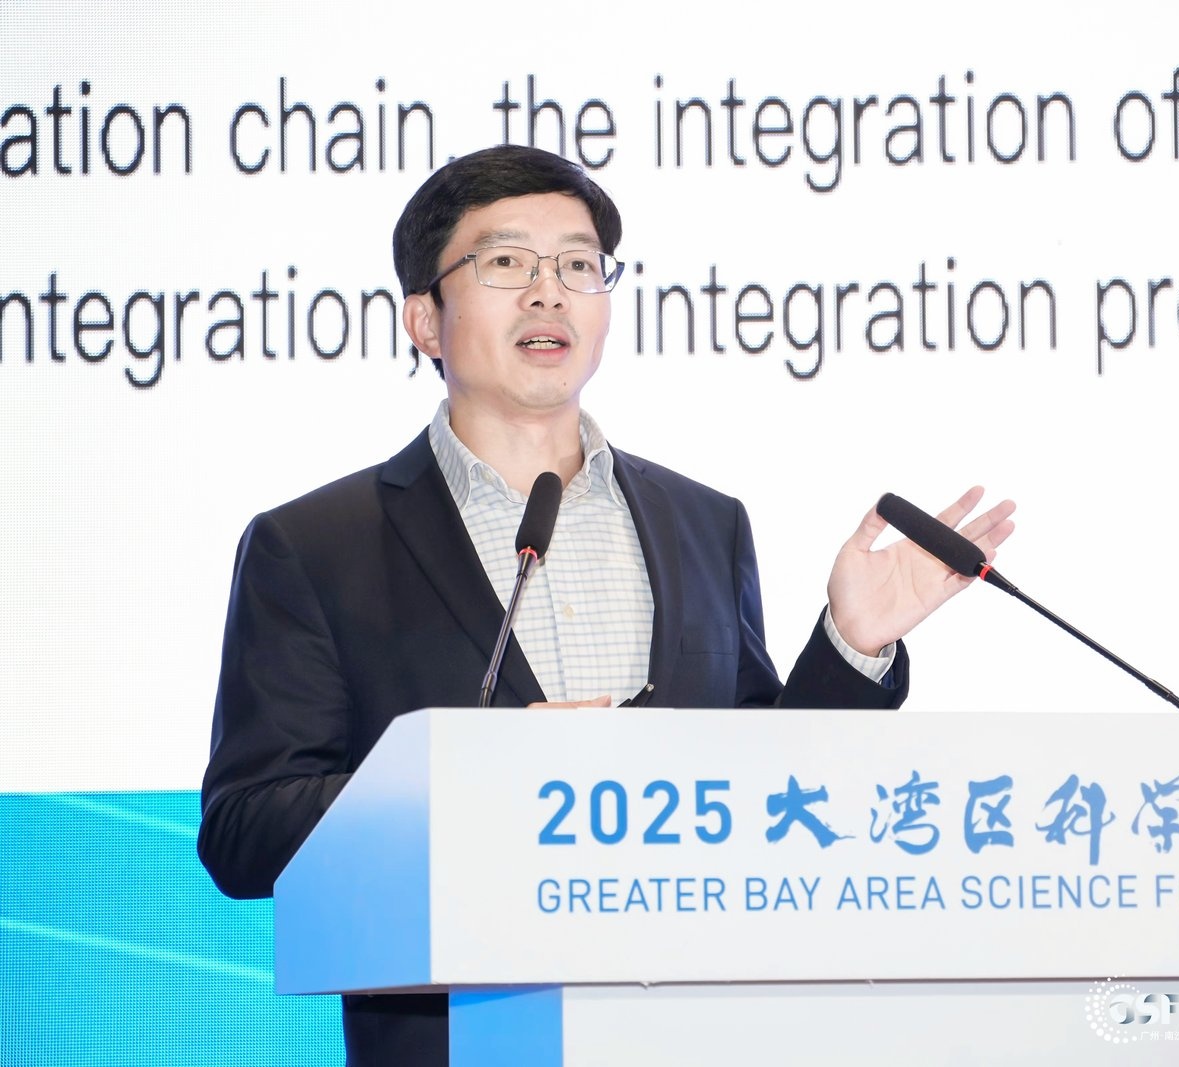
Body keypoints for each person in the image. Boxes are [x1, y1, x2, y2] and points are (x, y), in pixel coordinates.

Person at [197, 145, 1014, 1065]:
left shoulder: (705, 522)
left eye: (579, 265)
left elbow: (767, 798)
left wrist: (851, 646)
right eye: (507, 262)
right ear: (425, 319)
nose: (549, 292)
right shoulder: (315, 546)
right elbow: (246, 831)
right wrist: (473, 783)